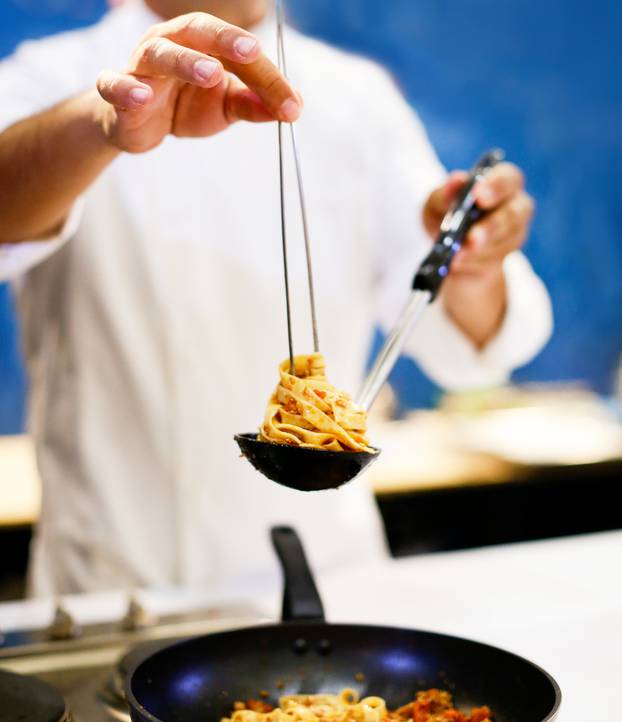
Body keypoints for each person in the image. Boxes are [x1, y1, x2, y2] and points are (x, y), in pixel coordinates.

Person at [0, 0, 552, 596]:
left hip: (325, 584)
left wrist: (474, 265)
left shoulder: (357, 97)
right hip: (109, 585)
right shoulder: (49, 74)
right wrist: (103, 123)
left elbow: (470, 340)